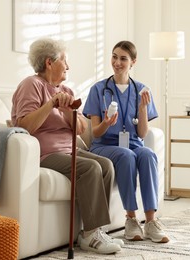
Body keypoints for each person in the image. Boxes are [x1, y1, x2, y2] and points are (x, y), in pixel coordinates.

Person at [10, 38, 123, 254]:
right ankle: (90, 235)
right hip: (45, 153)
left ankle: (94, 230)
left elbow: (80, 129)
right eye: (64, 60)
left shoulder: (66, 90)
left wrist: (66, 111)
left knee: (107, 165)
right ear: (49, 63)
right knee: (90, 168)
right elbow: (25, 125)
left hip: (70, 150)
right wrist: (51, 104)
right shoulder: (31, 85)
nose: (68, 66)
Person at [83, 40, 169, 243]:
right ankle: (130, 219)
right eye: (114, 56)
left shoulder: (142, 90)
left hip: (133, 143)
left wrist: (142, 110)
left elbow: (142, 133)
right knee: (127, 155)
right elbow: (95, 133)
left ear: (133, 62)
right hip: (104, 146)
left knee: (147, 154)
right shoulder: (98, 89)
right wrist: (106, 122)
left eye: (123, 58)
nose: (117, 62)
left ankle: (150, 222)